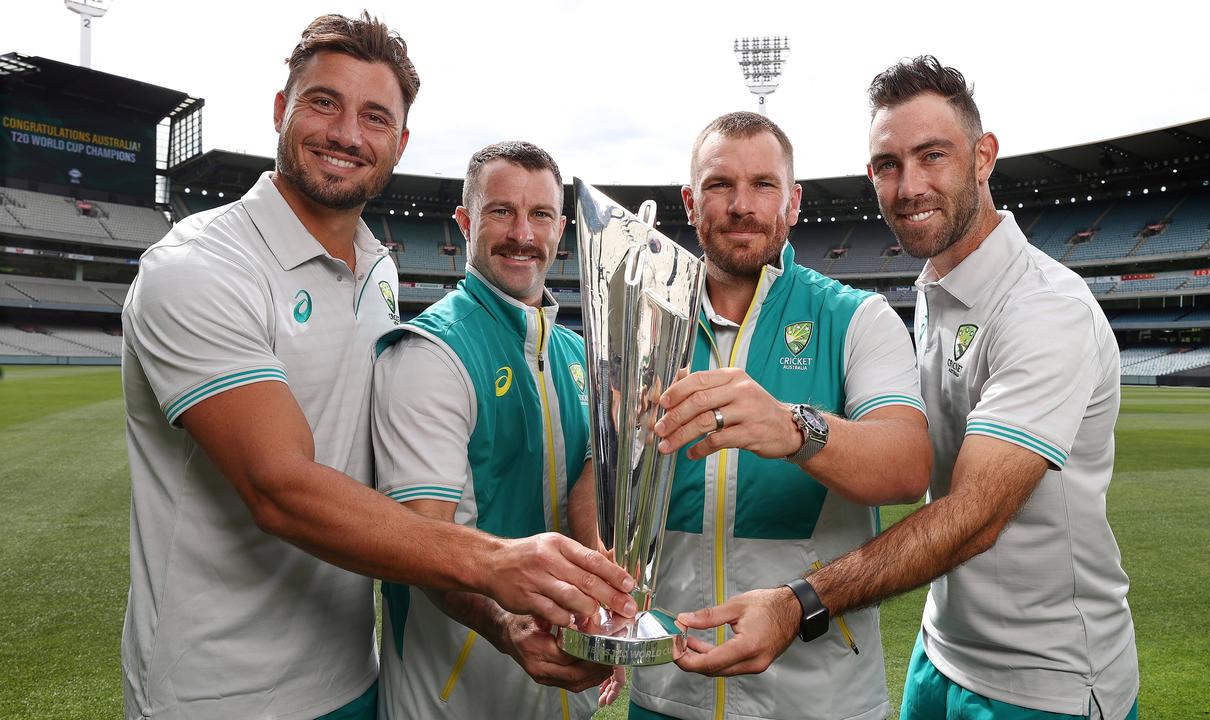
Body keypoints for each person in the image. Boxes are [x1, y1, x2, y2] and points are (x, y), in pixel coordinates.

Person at [119, 17, 634, 720]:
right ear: (281, 110)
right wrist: (494, 564)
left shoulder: (378, 269)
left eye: (374, 116)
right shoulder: (201, 267)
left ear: (399, 142)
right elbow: (281, 488)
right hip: (220, 690)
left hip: (350, 675)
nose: (346, 134)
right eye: (323, 103)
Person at [674, 57, 1139, 720]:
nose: (909, 186)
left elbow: (972, 517)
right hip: (942, 651)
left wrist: (799, 600)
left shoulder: (1044, 309)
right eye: (889, 165)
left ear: (983, 157)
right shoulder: (939, 292)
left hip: (1047, 678)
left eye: (933, 156)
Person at [629, 111, 932, 720]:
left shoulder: (857, 318)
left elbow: (908, 467)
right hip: (665, 692)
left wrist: (796, 429)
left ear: (792, 203)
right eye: (720, 185)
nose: (742, 205)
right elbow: (606, 482)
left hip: (816, 697)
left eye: (763, 185)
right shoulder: (645, 325)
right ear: (690, 202)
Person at [371, 141, 623, 719]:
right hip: (455, 697)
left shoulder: (576, 353)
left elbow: (588, 498)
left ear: (561, 228)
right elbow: (421, 544)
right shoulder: (429, 354)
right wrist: (506, 626)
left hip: (562, 697)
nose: (522, 234)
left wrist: (607, 601)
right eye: (501, 211)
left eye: (540, 215)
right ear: (464, 222)